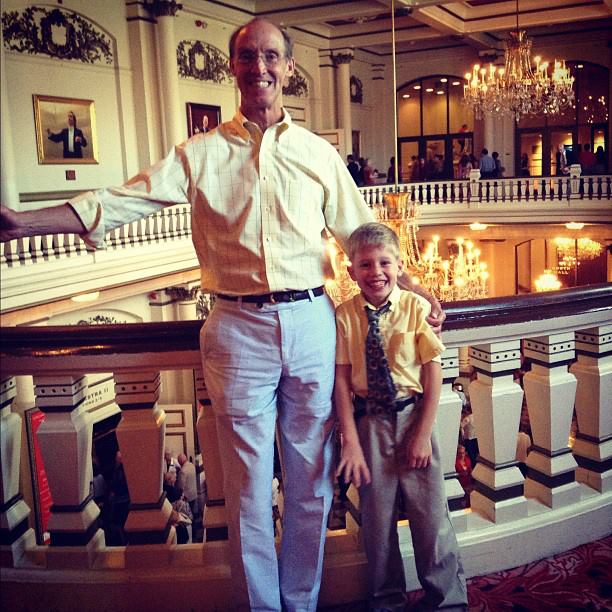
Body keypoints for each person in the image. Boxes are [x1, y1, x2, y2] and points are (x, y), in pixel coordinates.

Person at [1, 18, 445, 611]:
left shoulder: (318, 154)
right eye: (246, 56)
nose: (258, 66)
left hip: (313, 321)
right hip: (237, 330)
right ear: (232, 67)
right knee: (247, 489)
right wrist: (26, 223)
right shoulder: (200, 153)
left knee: (312, 483)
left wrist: (414, 289)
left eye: (270, 56)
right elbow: (123, 200)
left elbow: (361, 233)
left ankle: (302, 602)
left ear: (288, 67)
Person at [334, 222, 467, 612]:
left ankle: (447, 600)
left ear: (399, 265)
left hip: (412, 418)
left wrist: (423, 433)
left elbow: (432, 373)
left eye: (384, 262)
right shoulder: (345, 316)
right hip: (369, 424)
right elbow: (341, 382)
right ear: (351, 271)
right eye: (365, 265)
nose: (376, 272)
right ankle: (386, 601)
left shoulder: (416, 309)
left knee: (431, 518)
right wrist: (351, 442)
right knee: (376, 523)